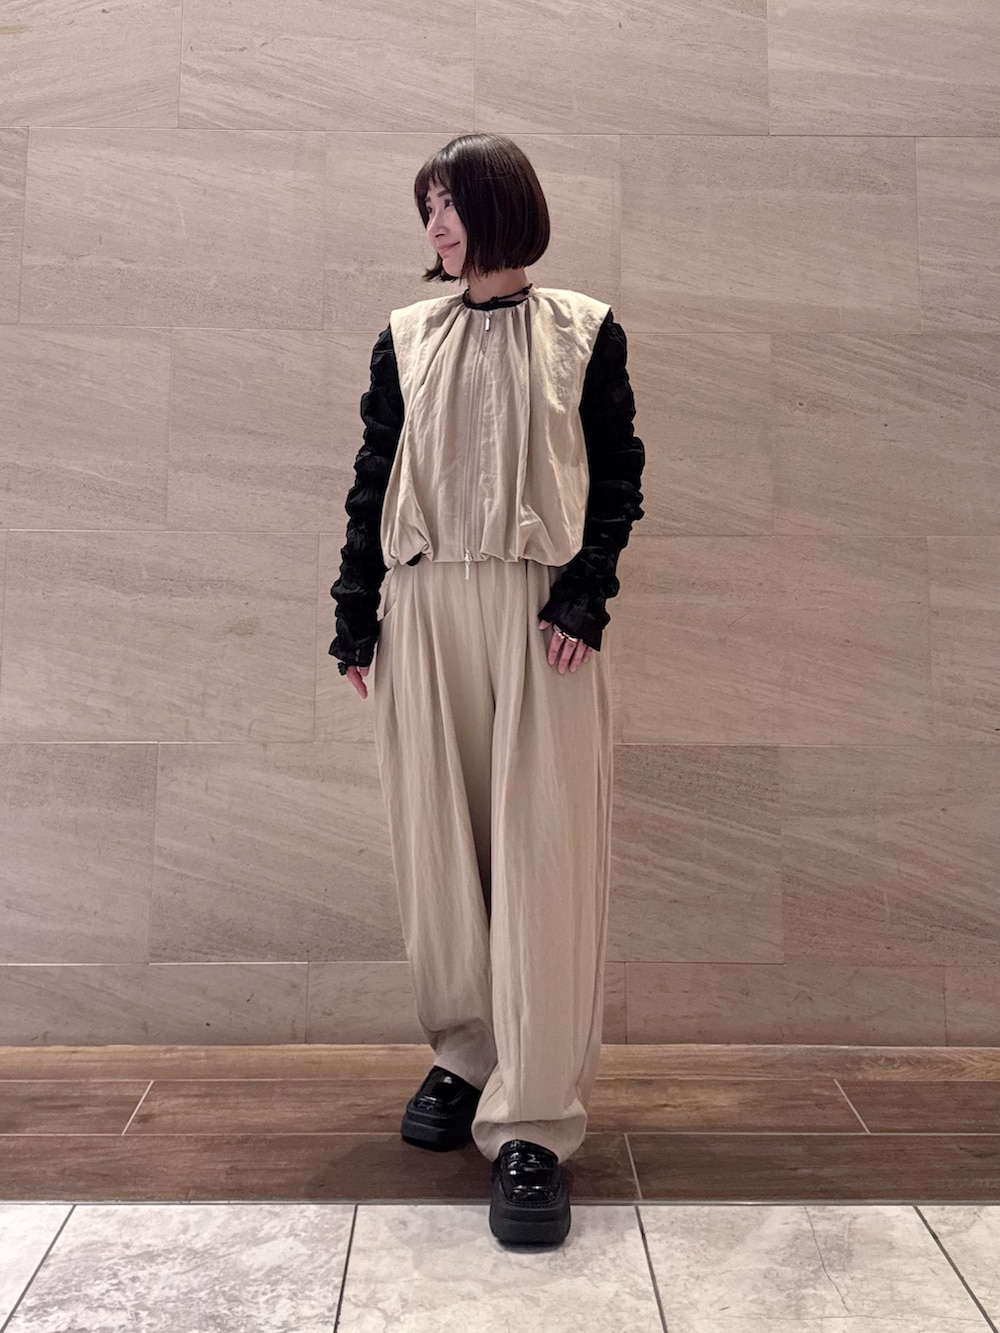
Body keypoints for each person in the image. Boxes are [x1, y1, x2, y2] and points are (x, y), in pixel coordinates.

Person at [328, 134, 645, 1247]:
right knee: (439, 853)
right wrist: (354, 610)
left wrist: (584, 598)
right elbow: (374, 474)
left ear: (502, 206)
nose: (435, 226)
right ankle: (467, 1052)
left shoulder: (583, 331)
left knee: (541, 856)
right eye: (426, 207)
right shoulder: (406, 337)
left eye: (451, 203)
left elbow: (618, 474)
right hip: (421, 610)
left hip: (536, 613)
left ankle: (535, 1120)